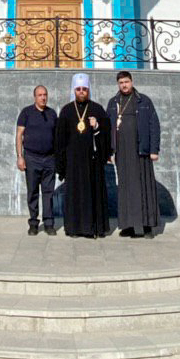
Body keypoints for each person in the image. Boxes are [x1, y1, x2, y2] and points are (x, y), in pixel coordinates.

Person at [54, 72, 111, 237]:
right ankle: (74, 228)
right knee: (74, 196)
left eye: (84, 89)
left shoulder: (97, 109)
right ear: (74, 90)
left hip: (92, 162)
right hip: (73, 162)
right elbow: (60, 140)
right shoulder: (66, 111)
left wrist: (98, 126)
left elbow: (107, 135)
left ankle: (94, 228)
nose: (81, 92)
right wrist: (61, 164)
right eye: (78, 89)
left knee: (93, 194)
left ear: (88, 90)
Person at [107, 70, 161, 238]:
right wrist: (109, 151)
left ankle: (148, 226)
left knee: (144, 188)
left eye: (126, 82)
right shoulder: (113, 102)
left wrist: (154, 150)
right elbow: (108, 127)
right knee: (125, 188)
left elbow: (154, 125)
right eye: (121, 82)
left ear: (132, 82)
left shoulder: (143, 101)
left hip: (141, 151)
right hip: (122, 153)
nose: (124, 85)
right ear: (118, 84)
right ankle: (128, 225)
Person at [15, 84, 58, 235]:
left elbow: (57, 137)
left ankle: (49, 224)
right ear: (35, 97)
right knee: (32, 192)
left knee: (48, 192)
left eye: (45, 94)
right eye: (40, 95)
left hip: (49, 159)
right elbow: (19, 135)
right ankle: (33, 223)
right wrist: (20, 157)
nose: (43, 97)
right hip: (31, 158)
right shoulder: (26, 113)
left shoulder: (52, 114)